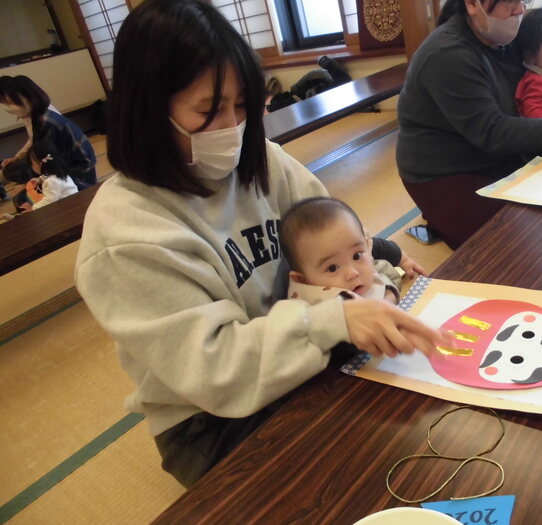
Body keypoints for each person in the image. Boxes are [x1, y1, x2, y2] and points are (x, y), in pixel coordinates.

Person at [75, 0, 447, 488]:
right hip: (212, 420)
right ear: (148, 109)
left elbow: (336, 243)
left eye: (242, 105)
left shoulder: (263, 160)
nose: (232, 127)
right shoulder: (126, 232)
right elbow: (216, 372)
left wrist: (377, 277)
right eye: (208, 110)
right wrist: (334, 320)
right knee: (352, 477)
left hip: (304, 350)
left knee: (416, 427)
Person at [396, 0, 542, 249]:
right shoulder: (447, 54)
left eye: (523, 0)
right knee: (517, 244)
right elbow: (491, 131)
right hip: (447, 171)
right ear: (472, 4)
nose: (520, 10)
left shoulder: (507, 40)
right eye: (510, 2)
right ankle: (440, 217)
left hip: (501, 155)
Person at [280, 197, 417, 304]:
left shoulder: (367, 264)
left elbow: (379, 258)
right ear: (302, 280)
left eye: (356, 256)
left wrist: (402, 260)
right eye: (332, 268)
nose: (353, 273)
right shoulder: (311, 313)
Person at [0, 75, 97, 190]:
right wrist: (18, 158)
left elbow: (49, 160)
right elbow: (36, 144)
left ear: (29, 99)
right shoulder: (39, 116)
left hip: (79, 175)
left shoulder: (47, 124)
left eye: (10, 103)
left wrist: (40, 180)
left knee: (23, 194)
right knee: (14, 170)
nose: (8, 108)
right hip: (65, 164)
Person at [15, 139, 78, 212]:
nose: (32, 167)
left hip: (68, 210)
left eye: (32, 164)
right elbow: (50, 178)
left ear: (40, 163)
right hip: (72, 204)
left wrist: (32, 208)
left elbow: (48, 202)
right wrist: (40, 179)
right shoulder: (59, 172)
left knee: (23, 202)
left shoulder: (51, 182)